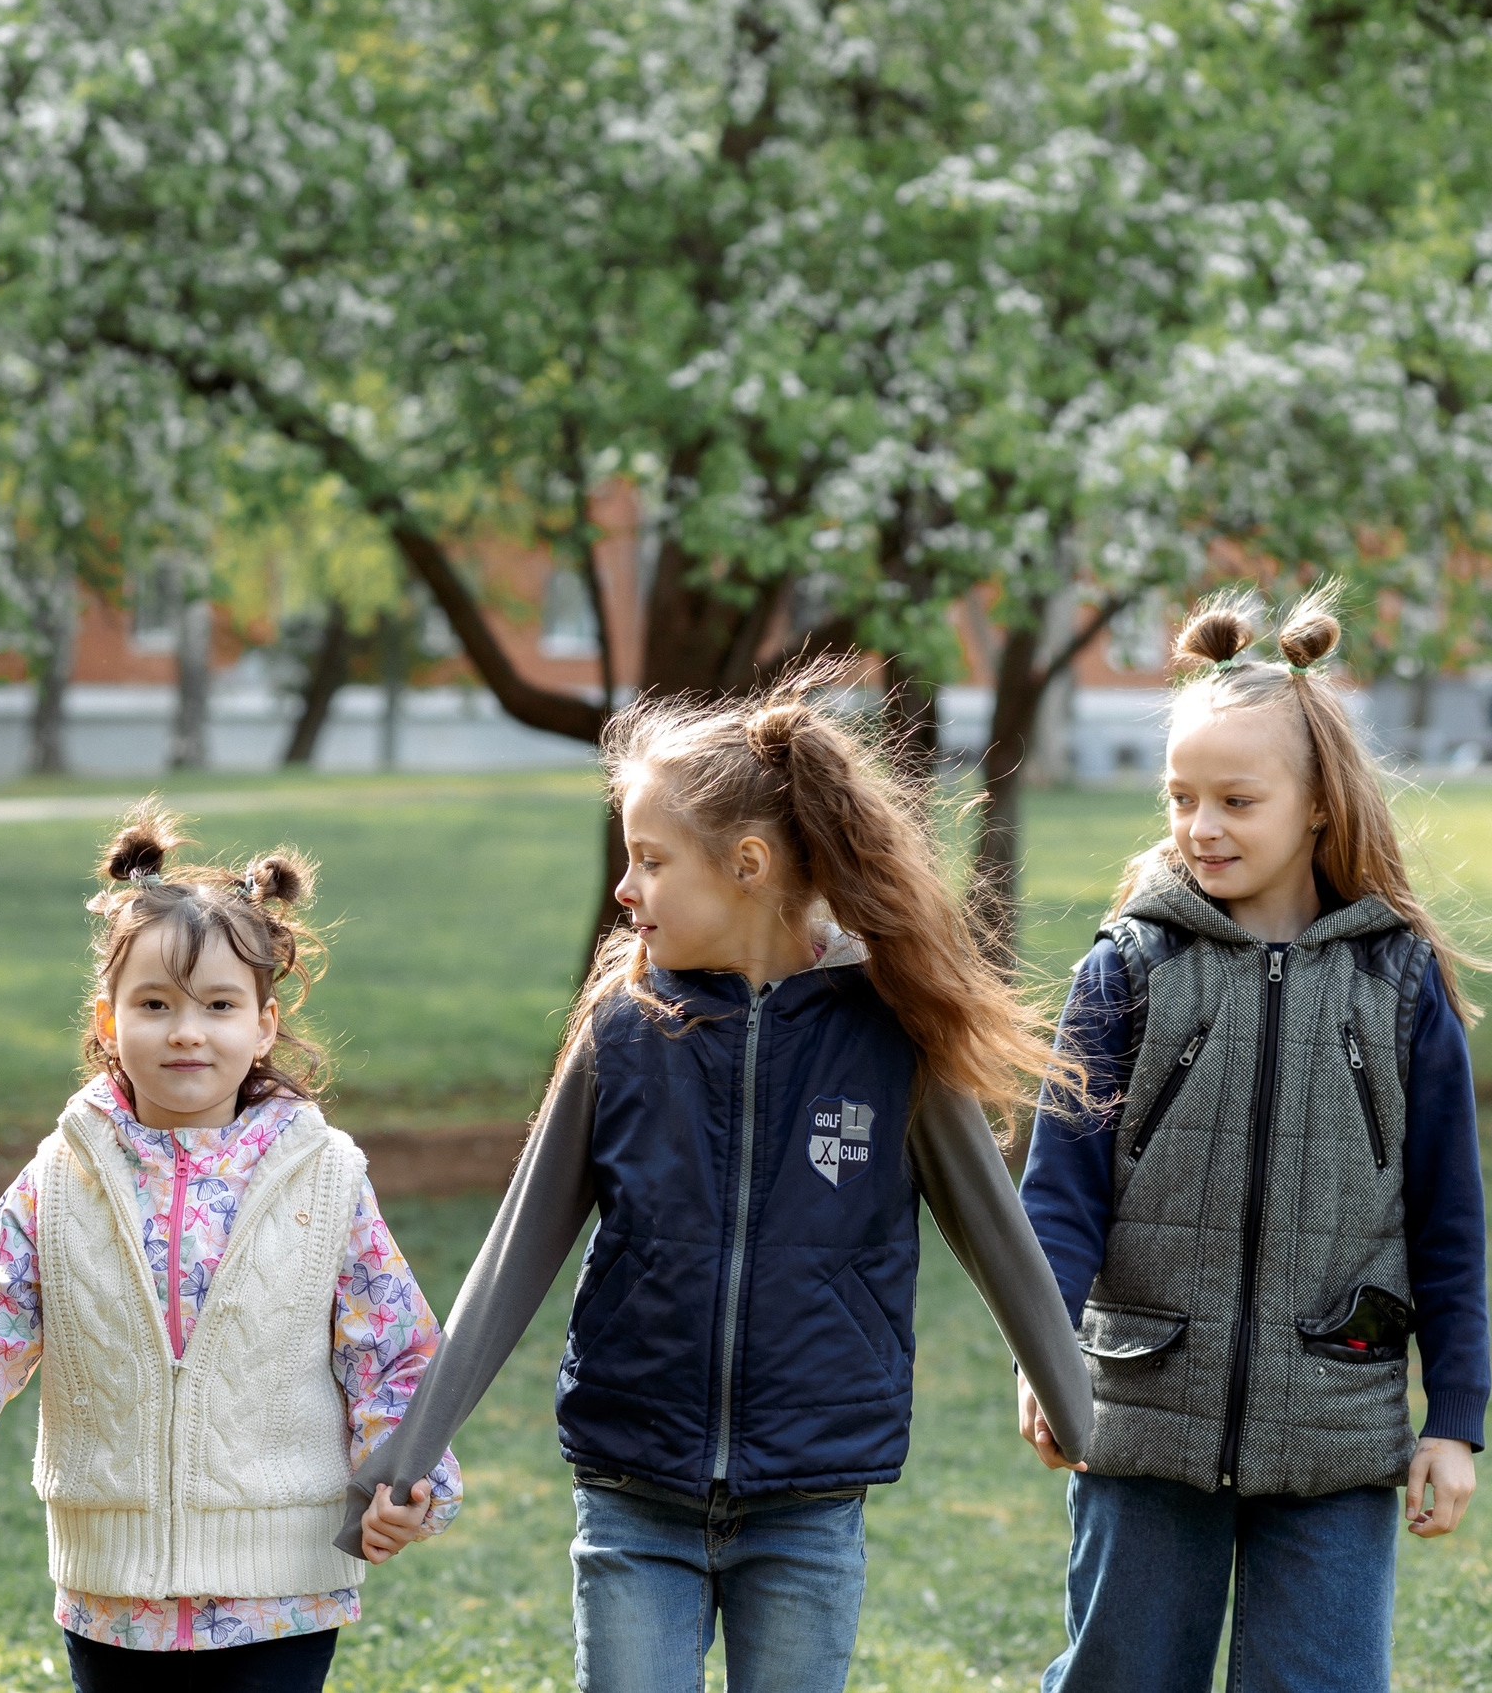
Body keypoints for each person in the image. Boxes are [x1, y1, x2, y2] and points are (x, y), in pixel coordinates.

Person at [335, 680, 1096, 1693]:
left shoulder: (888, 1033)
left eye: (650, 860)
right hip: (632, 1490)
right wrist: (408, 1454)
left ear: (747, 866)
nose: (624, 887)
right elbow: (511, 1256)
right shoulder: (622, 1030)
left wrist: (1082, 1422)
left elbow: (999, 1241)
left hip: (809, 1497)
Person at [0, 806, 459, 1693]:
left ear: (264, 1024)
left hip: (284, 1593)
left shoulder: (327, 1182)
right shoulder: (58, 1183)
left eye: (220, 1006)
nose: (187, 1030)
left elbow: (396, 1358)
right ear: (108, 1021)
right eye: (156, 1005)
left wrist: (405, 1482)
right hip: (112, 1594)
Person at [1016, 587, 1492, 1693]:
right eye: (1182, 797)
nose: (1201, 826)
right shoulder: (1128, 968)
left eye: (1236, 798)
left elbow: (1447, 1220)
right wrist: (1042, 1358)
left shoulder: (1397, 980)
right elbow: (1059, 1194)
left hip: (1335, 1425)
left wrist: (1453, 1418)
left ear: (1318, 804)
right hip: (1142, 1417)